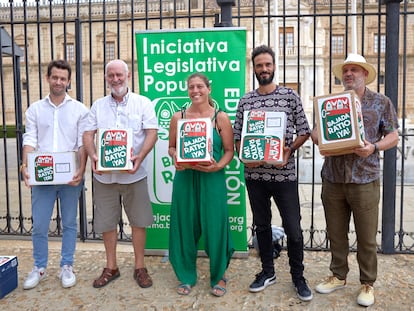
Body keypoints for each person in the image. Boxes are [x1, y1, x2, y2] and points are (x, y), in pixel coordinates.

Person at [311, 53, 399, 307]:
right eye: (345, 71)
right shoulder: (330, 103)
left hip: (365, 179)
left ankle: (367, 282)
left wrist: (373, 147)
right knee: (336, 233)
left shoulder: (381, 102)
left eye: (354, 70)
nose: (348, 74)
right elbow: (317, 132)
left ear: (364, 74)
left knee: (367, 237)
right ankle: (338, 275)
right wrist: (319, 138)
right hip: (333, 178)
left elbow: (393, 136)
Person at [233, 45, 313, 301]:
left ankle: (298, 277)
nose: (263, 69)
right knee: (262, 226)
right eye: (259, 65)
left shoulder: (290, 96)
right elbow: (237, 136)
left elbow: (304, 131)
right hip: (255, 176)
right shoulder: (246, 100)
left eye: (267, 64)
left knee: (294, 228)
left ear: (274, 66)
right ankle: (268, 271)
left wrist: (288, 150)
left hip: (284, 175)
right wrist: (244, 155)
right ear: (254, 68)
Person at [82, 59, 158, 289]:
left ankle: (139, 267)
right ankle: (111, 266)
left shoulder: (142, 103)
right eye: (111, 76)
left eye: (119, 75)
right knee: (107, 223)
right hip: (104, 177)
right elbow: (87, 134)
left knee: (138, 222)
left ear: (128, 76)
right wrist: (94, 156)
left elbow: (151, 133)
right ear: (106, 78)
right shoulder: (97, 105)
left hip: (134, 175)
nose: (115, 79)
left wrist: (140, 157)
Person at [21, 59, 89, 289]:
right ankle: (39, 267)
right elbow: (30, 139)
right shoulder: (35, 109)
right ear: (47, 78)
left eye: (63, 78)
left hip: (70, 176)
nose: (59, 81)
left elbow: (82, 142)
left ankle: (66, 265)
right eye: (55, 77)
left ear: (68, 81)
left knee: (70, 223)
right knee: (40, 224)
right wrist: (25, 166)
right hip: (44, 175)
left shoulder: (80, 109)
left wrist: (81, 169)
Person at [168, 73, 235, 297]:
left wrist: (218, 167)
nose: (195, 91)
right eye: (191, 87)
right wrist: (175, 156)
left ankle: (219, 275)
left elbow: (229, 151)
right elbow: (171, 146)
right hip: (185, 178)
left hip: (212, 177)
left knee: (215, 226)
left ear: (209, 88)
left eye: (199, 87)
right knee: (185, 226)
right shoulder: (179, 117)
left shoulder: (220, 117)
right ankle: (186, 275)